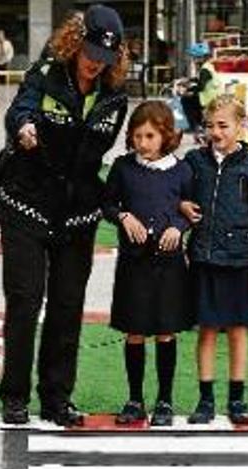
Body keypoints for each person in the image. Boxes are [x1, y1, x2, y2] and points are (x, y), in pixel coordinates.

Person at [0, 4, 129, 427]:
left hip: (77, 213)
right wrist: (24, 128)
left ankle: (56, 398)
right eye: (89, 53)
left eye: (103, 59)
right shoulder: (46, 73)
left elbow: (97, 153)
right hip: (26, 203)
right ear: (75, 41)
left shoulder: (114, 97)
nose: (93, 64)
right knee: (25, 301)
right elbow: (19, 109)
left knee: (68, 306)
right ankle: (14, 395)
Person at [179, 94, 248, 425]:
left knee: (237, 331)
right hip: (204, 260)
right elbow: (177, 194)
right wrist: (181, 207)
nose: (216, 132)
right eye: (210, 126)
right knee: (206, 330)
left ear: (241, 127)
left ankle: (237, 399)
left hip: (242, 262)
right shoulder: (193, 161)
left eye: (223, 125)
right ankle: (205, 400)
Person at [102, 101, 192, 427]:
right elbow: (106, 204)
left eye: (150, 136)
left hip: (168, 264)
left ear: (166, 135)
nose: (143, 142)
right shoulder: (123, 167)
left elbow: (192, 211)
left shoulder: (182, 170)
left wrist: (178, 229)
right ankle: (135, 399)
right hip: (133, 263)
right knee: (135, 331)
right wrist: (123, 216)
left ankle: (165, 399)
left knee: (166, 332)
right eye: (137, 136)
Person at [180, 42, 222, 135]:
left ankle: (195, 126)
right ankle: (199, 124)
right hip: (210, 95)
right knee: (190, 98)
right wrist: (189, 80)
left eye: (194, 57)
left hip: (208, 97)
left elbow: (201, 87)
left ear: (201, 58)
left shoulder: (205, 69)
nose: (193, 60)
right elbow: (200, 81)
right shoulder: (207, 67)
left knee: (185, 100)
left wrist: (190, 92)